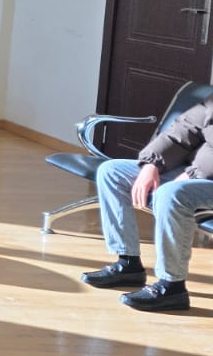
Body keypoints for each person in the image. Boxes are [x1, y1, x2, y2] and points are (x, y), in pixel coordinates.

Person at [79, 92, 213, 311]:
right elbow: (184, 129)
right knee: (111, 172)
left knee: (171, 194)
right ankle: (128, 263)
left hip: (203, 175)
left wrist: (194, 173)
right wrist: (152, 164)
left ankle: (172, 286)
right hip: (196, 172)